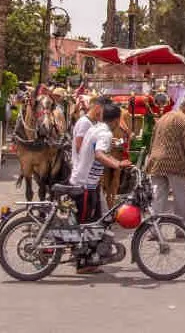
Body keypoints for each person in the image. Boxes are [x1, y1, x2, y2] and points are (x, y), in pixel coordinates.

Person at [68, 103, 132, 273]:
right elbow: (99, 154)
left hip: (86, 182)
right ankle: (82, 262)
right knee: (87, 224)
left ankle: (89, 259)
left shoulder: (95, 128)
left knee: (95, 221)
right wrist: (117, 164)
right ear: (118, 120)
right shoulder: (104, 132)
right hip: (86, 185)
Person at [146, 97, 185, 228]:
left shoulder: (163, 118)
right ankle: (182, 228)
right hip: (176, 164)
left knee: (158, 197)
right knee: (181, 198)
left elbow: (152, 140)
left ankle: (154, 229)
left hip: (156, 162)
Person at [71, 96, 109, 172]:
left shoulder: (93, 123)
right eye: (104, 112)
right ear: (97, 108)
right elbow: (79, 148)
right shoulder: (85, 123)